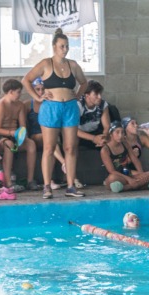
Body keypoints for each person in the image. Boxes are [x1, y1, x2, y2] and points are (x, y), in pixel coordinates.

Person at [21, 28, 88, 200]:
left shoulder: (73, 65)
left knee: (70, 148)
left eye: (66, 46)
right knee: (49, 148)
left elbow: (84, 82)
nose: (65, 49)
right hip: (51, 108)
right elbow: (26, 80)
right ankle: (47, 186)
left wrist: (78, 96)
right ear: (54, 47)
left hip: (70, 108)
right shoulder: (45, 63)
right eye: (61, 46)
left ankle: (71, 186)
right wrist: (38, 97)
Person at [0, 79, 38, 193]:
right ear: (10, 91)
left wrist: (22, 135)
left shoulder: (20, 105)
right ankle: (8, 182)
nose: (20, 95)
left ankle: (30, 180)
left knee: (31, 144)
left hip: (15, 135)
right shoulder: (0, 105)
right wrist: (11, 133)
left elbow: (22, 126)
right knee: (10, 144)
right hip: (0, 137)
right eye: (18, 92)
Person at [25, 76, 67, 190]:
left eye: (43, 89)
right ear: (32, 90)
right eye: (37, 89)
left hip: (49, 137)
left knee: (51, 144)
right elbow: (23, 126)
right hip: (35, 136)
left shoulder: (51, 103)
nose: (40, 92)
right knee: (49, 140)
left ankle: (49, 181)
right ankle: (64, 162)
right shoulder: (28, 105)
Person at [99, 120, 149, 193]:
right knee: (111, 178)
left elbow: (135, 160)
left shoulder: (125, 143)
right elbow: (112, 171)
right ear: (111, 134)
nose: (120, 135)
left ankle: (125, 188)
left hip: (128, 173)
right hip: (117, 176)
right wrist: (129, 179)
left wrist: (142, 174)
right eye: (117, 132)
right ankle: (143, 185)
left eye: (122, 132)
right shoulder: (105, 150)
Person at [77, 81, 110, 186]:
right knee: (71, 143)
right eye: (96, 94)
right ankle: (72, 178)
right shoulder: (78, 105)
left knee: (111, 143)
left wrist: (103, 138)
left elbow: (107, 126)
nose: (99, 97)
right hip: (79, 134)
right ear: (87, 95)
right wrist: (93, 138)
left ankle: (112, 176)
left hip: (95, 133)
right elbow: (72, 130)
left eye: (100, 94)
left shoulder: (103, 105)